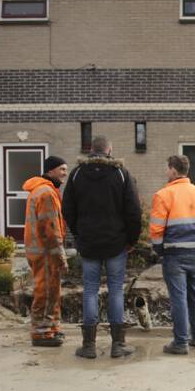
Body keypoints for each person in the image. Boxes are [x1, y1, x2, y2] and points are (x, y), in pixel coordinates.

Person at [62, 136, 142, 359]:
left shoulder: (77, 174)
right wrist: (131, 239)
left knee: (90, 290)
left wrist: (79, 233)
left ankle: (89, 346)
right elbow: (134, 211)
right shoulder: (120, 174)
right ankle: (118, 344)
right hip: (116, 243)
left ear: (91, 151)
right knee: (115, 289)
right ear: (109, 151)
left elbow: (67, 208)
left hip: (88, 243)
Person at [150, 155, 195, 355]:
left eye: (167, 168)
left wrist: (160, 249)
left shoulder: (163, 195)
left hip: (174, 253)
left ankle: (180, 342)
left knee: (178, 297)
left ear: (173, 170)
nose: (166, 172)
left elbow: (156, 229)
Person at [23, 155, 69, 347]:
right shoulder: (47, 194)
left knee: (51, 291)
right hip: (46, 252)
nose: (64, 174)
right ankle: (41, 333)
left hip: (39, 251)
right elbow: (51, 229)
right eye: (62, 170)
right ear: (51, 171)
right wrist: (61, 255)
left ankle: (51, 329)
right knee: (46, 292)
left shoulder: (41, 190)